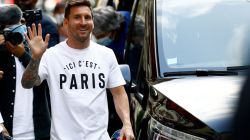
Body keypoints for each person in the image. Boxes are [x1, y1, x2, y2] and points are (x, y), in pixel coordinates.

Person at [21, 0, 135, 140]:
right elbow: (27, 83)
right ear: (66, 23)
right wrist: (35, 58)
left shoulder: (106, 54)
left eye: (87, 17)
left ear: (92, 22)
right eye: (77, 17)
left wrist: (127, 124)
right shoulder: (51, 55)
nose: (83, 22)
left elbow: (119, 93)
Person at [0, 4, 51, 140]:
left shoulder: (37, 48)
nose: (15, 30)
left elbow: (41, 79)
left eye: (19, 23)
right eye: (7, 27)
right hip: (7, 133)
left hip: (38, 132)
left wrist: (23, 54)